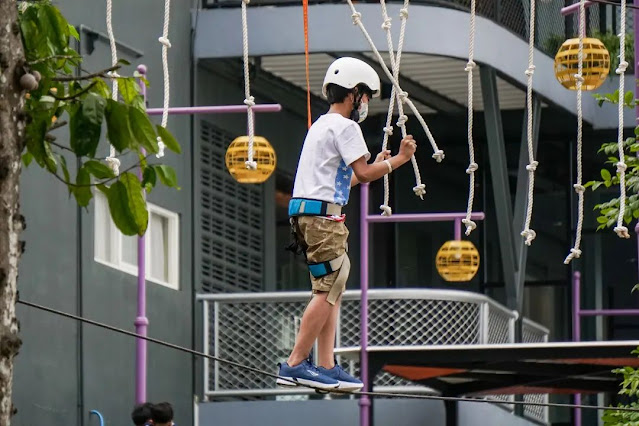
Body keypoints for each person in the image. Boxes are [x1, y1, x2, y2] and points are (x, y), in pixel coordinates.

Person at [277, 56, 418, 391]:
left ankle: (326, 365)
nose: (366, 103)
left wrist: (377, 164)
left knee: (332, 287)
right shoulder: (346, 127)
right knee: (330, 285)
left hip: (308, 213)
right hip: (324, 218)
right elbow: (366, 174)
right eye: (366, 96)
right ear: (354, 93)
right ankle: (295, 363)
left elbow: (345, 181)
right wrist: (399, 159)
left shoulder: (321, 126)